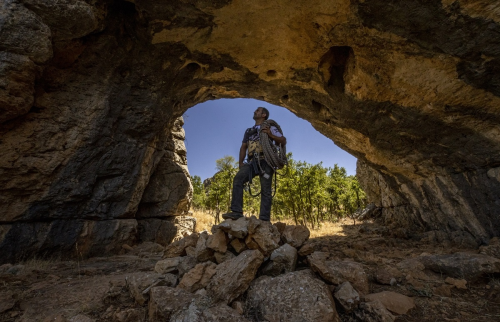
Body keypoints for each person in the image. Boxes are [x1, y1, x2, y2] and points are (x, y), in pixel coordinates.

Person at [222, 107, 287, 221]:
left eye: (258, 111)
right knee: (238, 179)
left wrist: (270, 135)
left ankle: (264, 219)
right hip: (252, 162)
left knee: (266, 189)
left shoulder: (270, 127)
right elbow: (243, 147)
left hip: (266, 161)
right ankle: (237, 212)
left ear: (264, 115)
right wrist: (241, 162)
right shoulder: (248, 131)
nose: (254, 111)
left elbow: (282, 140)